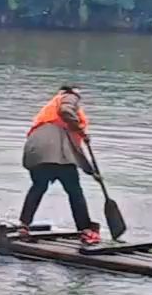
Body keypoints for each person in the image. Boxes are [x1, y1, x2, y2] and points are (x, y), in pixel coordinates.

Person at [19, 85, 100, 245]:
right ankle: (85, 229)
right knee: (75, 191)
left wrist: (91, 172)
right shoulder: (69, 97)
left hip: (37, 150)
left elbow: (76, 151)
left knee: (38, 186)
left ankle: (24, 225)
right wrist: (82, 131)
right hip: (55, 151)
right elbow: (66, 111)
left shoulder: (51, 112)